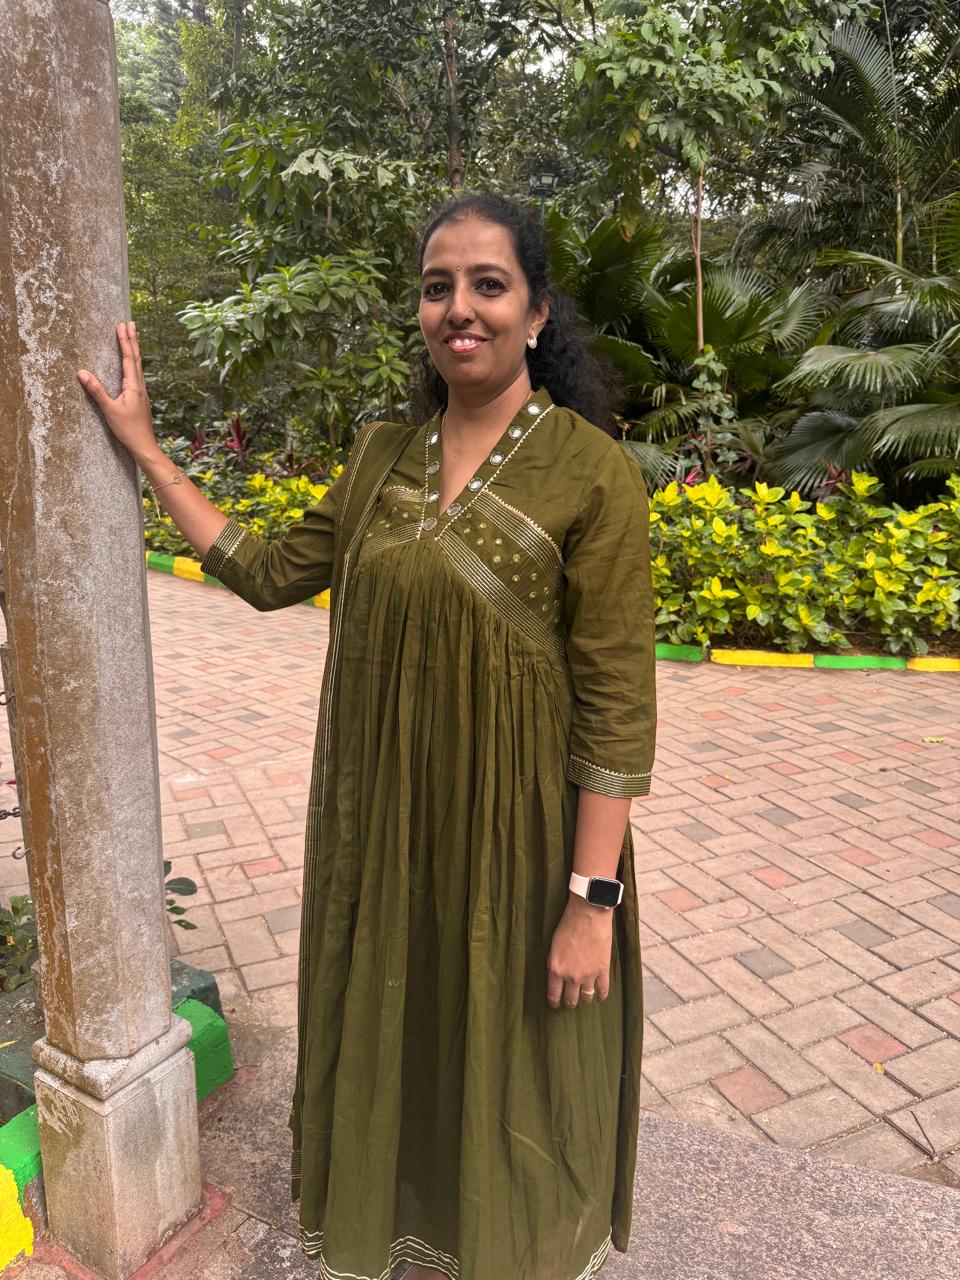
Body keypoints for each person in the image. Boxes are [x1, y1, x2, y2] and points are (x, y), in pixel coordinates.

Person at [78, 191, 657, 1280]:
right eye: (438, 286)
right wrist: (150, 453)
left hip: (523, 846)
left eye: (488, 284)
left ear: (537, 314)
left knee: (516, 1063)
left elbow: (617, 705)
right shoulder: (383, 454)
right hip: (385, 832)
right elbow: (262, 570)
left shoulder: (591, 472)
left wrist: (592, 899)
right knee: (404, 1032)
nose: (459, 308)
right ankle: (409, 1229)